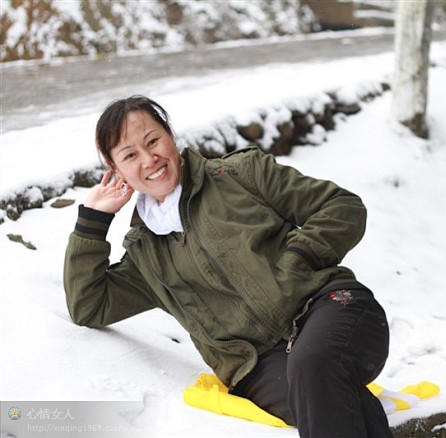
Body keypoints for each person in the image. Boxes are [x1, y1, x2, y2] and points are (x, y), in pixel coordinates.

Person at [63, 95, 392, 437]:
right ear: (116, 171)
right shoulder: (147, 256)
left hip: (330, 307)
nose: (150, 159)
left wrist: (299, 259)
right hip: (258, 367)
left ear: (171, 136)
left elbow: (341, 207)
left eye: (153, 141)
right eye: (130, 155)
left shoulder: (240, 175)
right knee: (327, 400)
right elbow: (89, 305)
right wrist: (92, 221)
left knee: (314, 368)